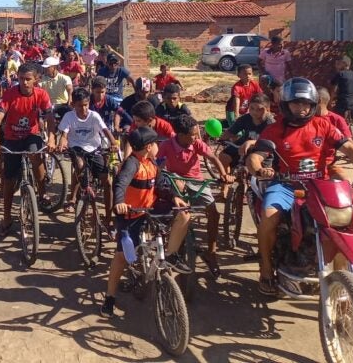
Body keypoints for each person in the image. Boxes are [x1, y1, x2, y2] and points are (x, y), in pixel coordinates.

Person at [246, 78, 353, 296]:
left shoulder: (324, 125)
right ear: (285, 104)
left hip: (320, 186)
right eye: (296, 104)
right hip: (286, 185)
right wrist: (258, 170)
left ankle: (343, 285)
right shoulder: (274, 131)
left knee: (343, 224)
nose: (301, 109)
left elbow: (350, 148)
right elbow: (255, 156)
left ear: (313, 105)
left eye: (306, 104)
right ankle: (265, 268)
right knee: (269, 217)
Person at [101, 128, 190, 316]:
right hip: (131, 213)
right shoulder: (132, 164)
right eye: (156, 143)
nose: (158, 146)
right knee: (122, 256)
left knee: (183, 213)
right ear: (149, 147)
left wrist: (173, 197)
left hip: (148, 208)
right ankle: (110, 297)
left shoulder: (151, 163)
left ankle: (172, 254)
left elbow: (160, 186)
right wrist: (119, 203)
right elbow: (120, 184)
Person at [157, 115, 230, 275]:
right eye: (193, 134)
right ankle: (171, 248)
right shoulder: (167, 145)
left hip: (197, 181)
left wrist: (223, 174)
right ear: (181, 135)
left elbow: (212, 158)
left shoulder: (196, 143)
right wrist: (168, 181)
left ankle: (211, 252)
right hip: (176, 179)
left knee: (213, 212)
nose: (197, 137)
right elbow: (159, 168)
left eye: (197, 134)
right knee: (180, 212)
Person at [0, 63, 54, 236]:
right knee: (9, 180)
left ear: (36, 80)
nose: (24, 82)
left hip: (31, 135)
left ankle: (42, 193)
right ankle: (7, 217)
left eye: (28, 79)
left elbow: (49, 116)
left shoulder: (41, 94)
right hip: (11, 138)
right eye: (21, 79)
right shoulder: (10, 94)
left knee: (36, 156)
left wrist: (52, 137)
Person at [58, 87, 119, 222]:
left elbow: (105, 130)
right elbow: (64, 134)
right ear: (73, 105)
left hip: (94, 148)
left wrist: (114, 143)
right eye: (80, 106)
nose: (83, 109)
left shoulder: (94, 116)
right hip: (76, 147)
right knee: (79, 165)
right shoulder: (69, 116)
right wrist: (62, 142)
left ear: (89, 103)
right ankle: (85, 189)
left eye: (86, 105)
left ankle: (108, 219)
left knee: (107, 181)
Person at [218, 93, 275, 171]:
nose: (255, 112)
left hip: (262, 150)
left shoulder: (271, 123)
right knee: (223, 156)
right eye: (252, 108)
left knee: (258, 168)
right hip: (243, 146)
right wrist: (222, 138)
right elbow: (231, 131)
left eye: (259, 109)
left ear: (268, 109)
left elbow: (271, 141)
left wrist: (251, 142)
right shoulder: (246, 118)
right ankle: (226, 179)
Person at [329, 55, 353, 141]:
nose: (336, 65)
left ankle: (339, 140)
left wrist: (330, 101)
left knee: (337, 119)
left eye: (338, 64)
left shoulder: (340, 74)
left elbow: (334, 89)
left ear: (344, 64)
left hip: (344, 101)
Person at [40, 56, 74, 120]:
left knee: (68, 113)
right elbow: (38, 87)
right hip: (48, 105)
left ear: (54, 67)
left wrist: (70, 99)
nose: (45, 69)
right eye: (45, 68)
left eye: (48, 67)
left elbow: (69, 88)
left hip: (62, 104)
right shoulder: (42, 78)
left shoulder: (64, 78)